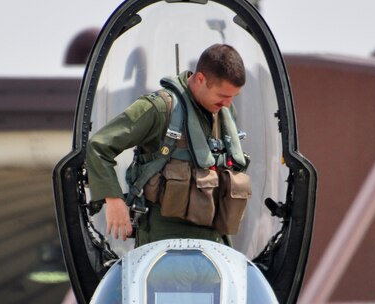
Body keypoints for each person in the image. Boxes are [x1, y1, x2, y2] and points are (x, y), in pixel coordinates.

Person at [86, 43, 251, 246]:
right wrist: (113, 200)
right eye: (223, 96)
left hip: (214, 241)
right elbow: (99, 147)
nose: (227, 104)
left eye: (233, 97)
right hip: (163, 241)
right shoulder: (159, 109)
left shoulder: (224, 114)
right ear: (200, 79)